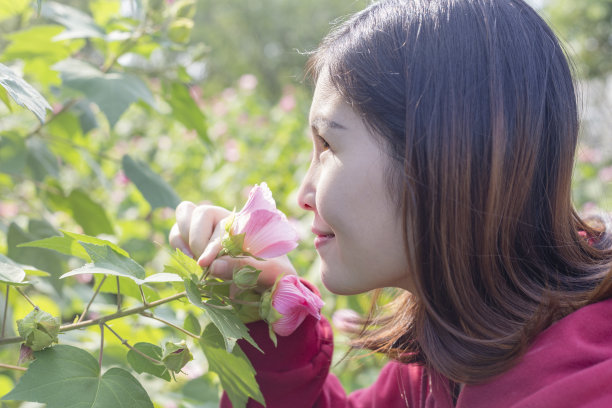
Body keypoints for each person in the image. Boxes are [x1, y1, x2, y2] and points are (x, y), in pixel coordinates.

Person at [169, 0, 612, 406]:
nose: (302, 195)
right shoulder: (463, 343)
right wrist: (268, 313)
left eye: (327, 145)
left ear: (441, 156)